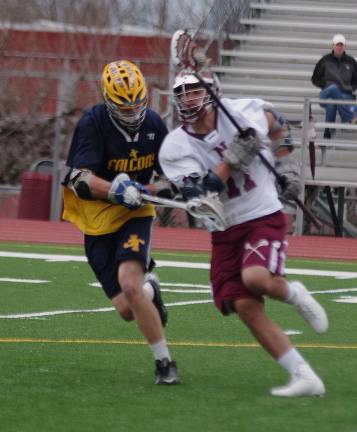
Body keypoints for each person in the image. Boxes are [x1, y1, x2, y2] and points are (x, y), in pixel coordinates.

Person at [159, 68, 328, 397]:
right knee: (244, 305)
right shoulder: (175, 146)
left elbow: (277, 123)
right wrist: (231, 160)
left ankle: (295, 295)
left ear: (212, 92)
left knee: (255, 278)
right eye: (182, 94)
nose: (187, 99)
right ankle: (303, 374)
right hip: (224, 228)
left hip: (262, 212)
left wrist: (286, 166)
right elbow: (199, 193)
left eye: (194, 91)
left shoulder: (240, 113)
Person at [62, 59, 179, 385]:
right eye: (123, 106)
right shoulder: (93, 123)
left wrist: (147, 190)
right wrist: (115, 189)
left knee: (128, 283)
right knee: (127, 309)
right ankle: (149, 289)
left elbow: (171, 180)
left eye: (137, 103)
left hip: (134, 215)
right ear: (108, 100)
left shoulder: (154, 124)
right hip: (97, 220)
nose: (132, 112)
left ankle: (165, 364)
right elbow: (78, 178)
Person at [311, 34, 357, 138]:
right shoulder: (325, 60)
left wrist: (351, 88)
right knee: (333, 88)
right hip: (327, 93)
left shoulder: (351, 61)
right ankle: (349, 117)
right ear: (332, 46)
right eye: (337, 45)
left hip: (345, 94)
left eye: (341, 45)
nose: (339, 47)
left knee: (331, 104)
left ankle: (327, 136)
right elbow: (315, 78)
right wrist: (325, 85)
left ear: (345, 46)